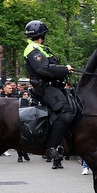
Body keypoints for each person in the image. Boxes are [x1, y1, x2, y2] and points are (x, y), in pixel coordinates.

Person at [23, 20, 74, 169]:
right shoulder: (32, 49)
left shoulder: (42, 48)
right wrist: (65, 69)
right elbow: (43, 69)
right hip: (44, 88)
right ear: (42, 34)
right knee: (66, 112)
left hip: (54, 86)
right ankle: (51, 147)